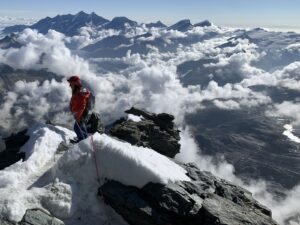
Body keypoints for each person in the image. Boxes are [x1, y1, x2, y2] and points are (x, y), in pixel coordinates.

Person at [67, 75, 92, 143]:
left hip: (81, 114)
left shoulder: (79, 93)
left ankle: (82, 143)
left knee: (77, 127)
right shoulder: (78, 91)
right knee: (81, 126)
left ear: (75, 84)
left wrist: (77, 116)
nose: (70, 85)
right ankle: (85, 140)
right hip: (83, 113)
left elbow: (81, 106)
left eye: (71, 83)